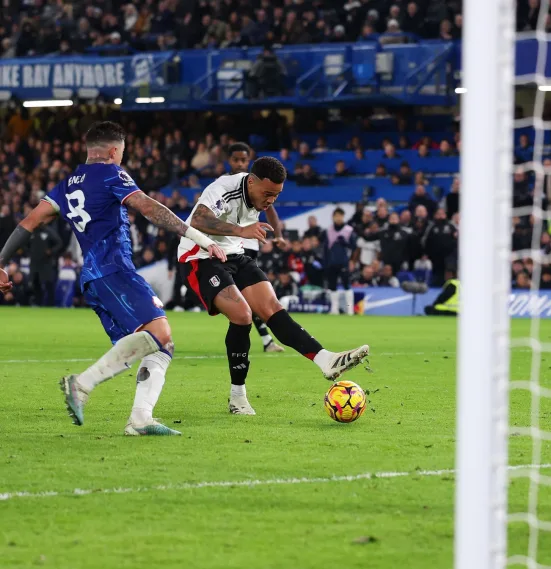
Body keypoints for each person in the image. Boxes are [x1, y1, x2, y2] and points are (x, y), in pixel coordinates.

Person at [0, 121, 227, 435]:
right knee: (160, 330)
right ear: (112, 151)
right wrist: (200, 237)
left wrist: (1, 261)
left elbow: (30, 221)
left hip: (94, 277)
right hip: (113, 269)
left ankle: (140, 419)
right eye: (121, 153)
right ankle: (81, 384)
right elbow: (147, 207)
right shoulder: (110, 173)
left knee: (161, 346)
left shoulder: (66, 185)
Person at [177, 156, 370, 416]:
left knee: (273, 308)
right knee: (243, 316)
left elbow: (266, 208)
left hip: (234, 254)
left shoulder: (259, 193)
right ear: (252, 181)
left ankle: (326, 360)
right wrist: (241, 230)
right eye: (267, 194)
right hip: (199, 257)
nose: (270, 201)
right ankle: (238, 397)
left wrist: (276, 232)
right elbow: (198, 220)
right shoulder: (223, 188)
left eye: (276, 196)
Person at [228, 142, 284, 353]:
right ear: (229, 161)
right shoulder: (225, 185)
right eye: (236, 159)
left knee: (248, 295)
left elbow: (271, 211)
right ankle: (265, 340)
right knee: (244, 297)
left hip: (249, 244)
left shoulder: (260, 186)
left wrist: (278, 235)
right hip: (230, 243)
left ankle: (265, 340)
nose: (240, 163)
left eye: (244, 159)